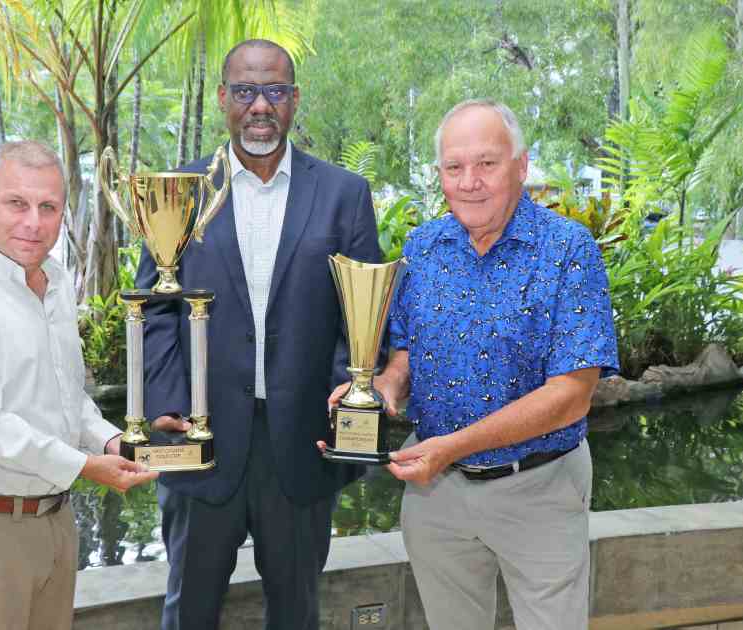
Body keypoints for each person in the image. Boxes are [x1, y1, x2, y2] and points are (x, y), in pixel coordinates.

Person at [333, 99, 619, 629]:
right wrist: (381, 392)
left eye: (487, 163)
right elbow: (407, 355)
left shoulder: (567, 249)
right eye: (454, 167)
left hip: (540, 487)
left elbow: (572, 393)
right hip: (436, 497)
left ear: (521, 165)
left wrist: (450, 447)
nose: (470, 182)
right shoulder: (423, 247)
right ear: (440, 173)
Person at [136, 39, 381, 630]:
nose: (259, 105)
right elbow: (155, 309)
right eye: (245, 91)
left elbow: (363, 315)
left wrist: (347, 400)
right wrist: (170, 404)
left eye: (273, 90)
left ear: (294, 100)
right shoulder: (179, 191)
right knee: (188, 611)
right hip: (202, 443)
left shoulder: (344, 194)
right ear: (223, 98)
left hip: (301, 445)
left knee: (296, 612)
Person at [0, 140, 158, 630]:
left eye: (48, 207)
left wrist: (112, 440)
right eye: (16, 203)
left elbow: (70, 398)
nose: (33, 222)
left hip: (55, 520)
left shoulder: (57, 282)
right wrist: (88, 465)